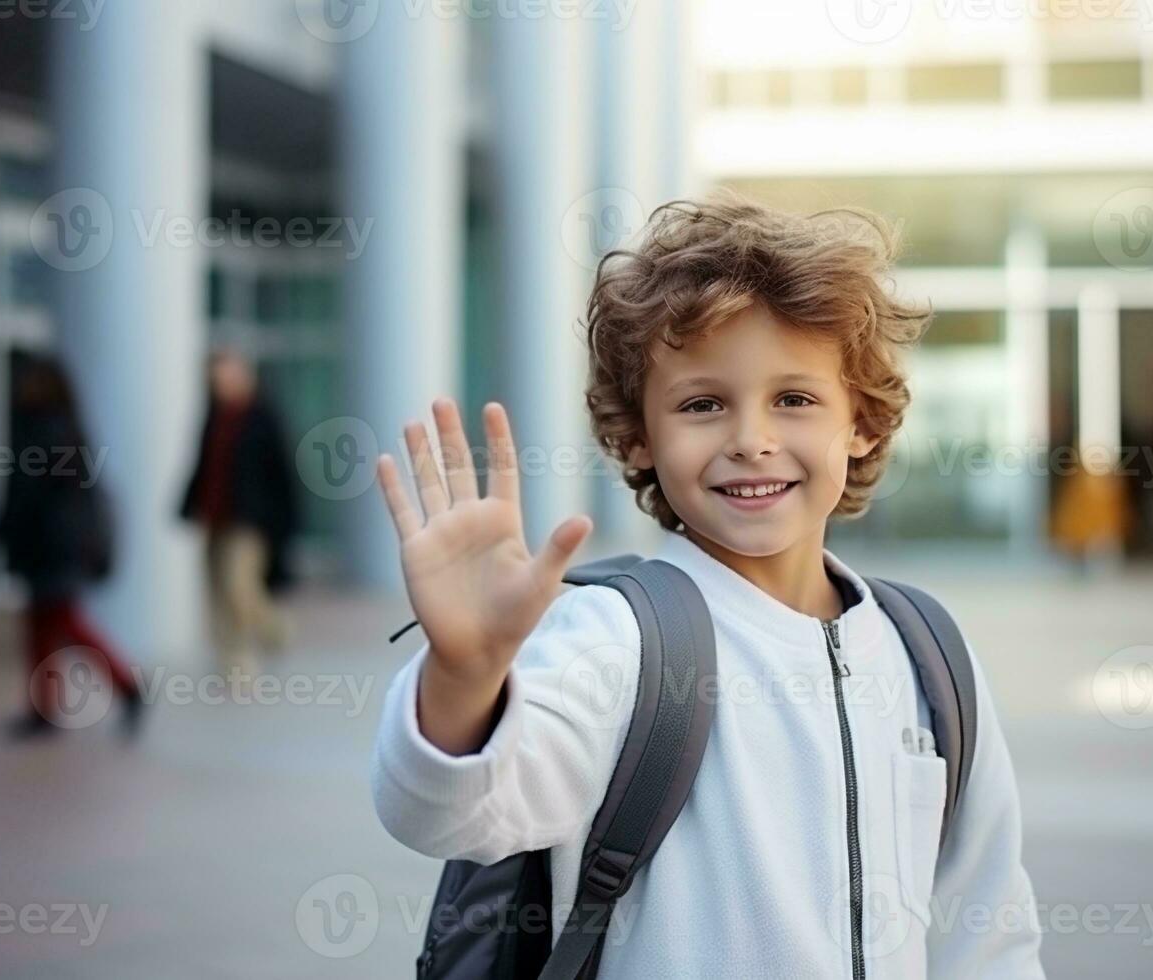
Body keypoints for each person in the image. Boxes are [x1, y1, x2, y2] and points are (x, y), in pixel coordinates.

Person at [368, 193, 1045, 976]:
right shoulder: (611, 639)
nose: (751, 441)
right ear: (639, 436)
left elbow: (987, 929)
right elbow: (451, 814)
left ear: (860, 422)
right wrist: (464, 676)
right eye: (702, 405)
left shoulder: (929, 653)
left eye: (794, 400)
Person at [0, 355, 144, 739]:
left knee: (67, 624)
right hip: (43, 546)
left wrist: (9, 525)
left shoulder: (51, 430)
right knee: (41, 628)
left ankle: (127, 685)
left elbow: (37, 495)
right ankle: (44, 706)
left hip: (54, 548)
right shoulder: (49, 427)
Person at [178, 349, 297, 671]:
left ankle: (270, 633)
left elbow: (282, 474)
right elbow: (203, 465)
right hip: (215, 517)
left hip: (249, 521)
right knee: (217, 591)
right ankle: (230, 661)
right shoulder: (215, 416)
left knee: (238, 587)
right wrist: (188, 504)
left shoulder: (262, 417)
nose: (221, 383)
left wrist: (281, 523)